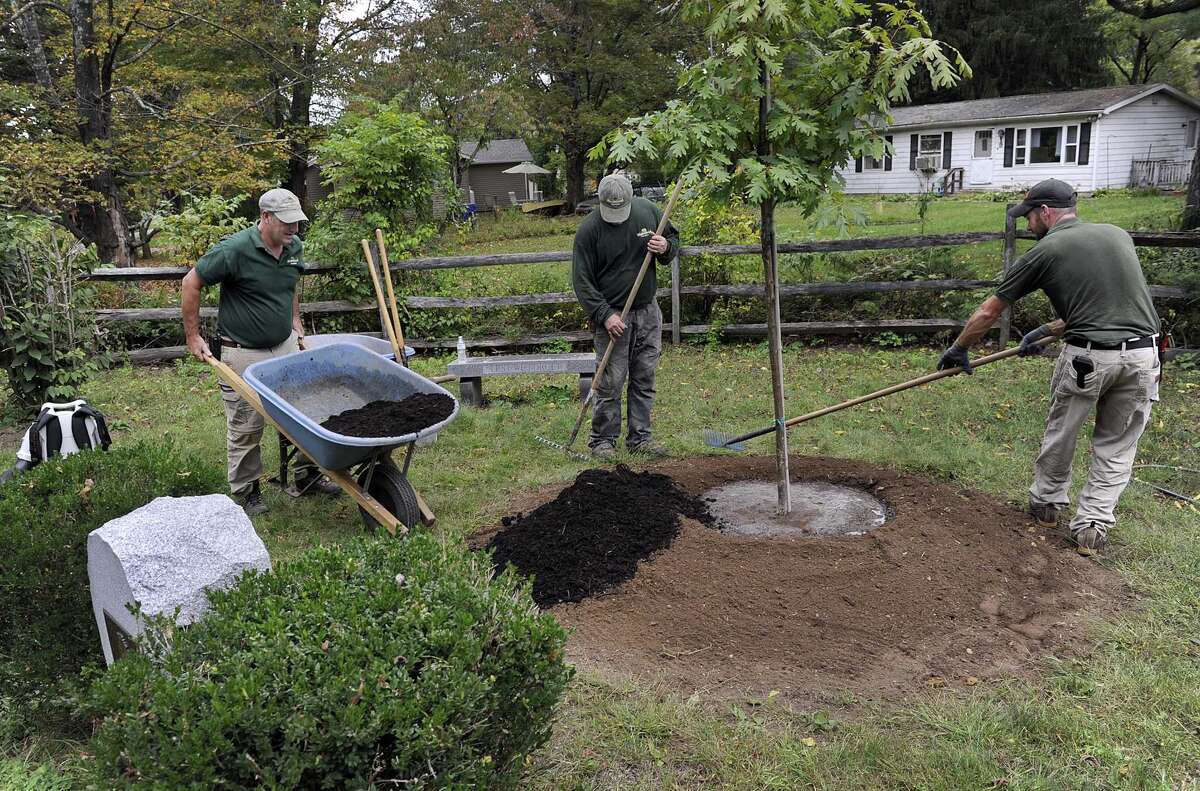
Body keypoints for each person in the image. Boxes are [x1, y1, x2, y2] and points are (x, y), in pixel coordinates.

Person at [936, 178, 1160, 556]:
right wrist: (1046, 331)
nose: (1027, 224)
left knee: (1063, 431)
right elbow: (1106, 306)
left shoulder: (1046, 250)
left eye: (1029, 216)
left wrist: (959, 349)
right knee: (1117, 445)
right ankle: (1092, 527)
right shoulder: (1117, 235)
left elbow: (990, 311)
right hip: (1142, 356)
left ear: (1045, 212)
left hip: (1088, 358)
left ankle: (1048, 504)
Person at [181, 188, 339, 515]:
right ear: (266, 217)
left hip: (284, 345)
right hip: (242, 351)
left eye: (297, 221)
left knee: (304, 411)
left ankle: (306, 475)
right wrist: (193, 336)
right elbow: (190, 283)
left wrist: (295, 320)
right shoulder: (234, 250)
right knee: (247, 423)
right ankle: (246, 491)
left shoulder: (294, 247)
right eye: (287, 222)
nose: (294, 228)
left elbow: (289, 286)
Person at [572, 174, 680, 460]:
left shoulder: (648, 211)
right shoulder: (589, 231)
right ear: (600, 202)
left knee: (644, 376)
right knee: (610, 381)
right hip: (613, 317)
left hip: (647, 312)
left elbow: (673, 239)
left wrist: (665, 247)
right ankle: (602, 441)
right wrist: (605, 315)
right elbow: (582, 282)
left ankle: (640, 437)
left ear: (631, 200)